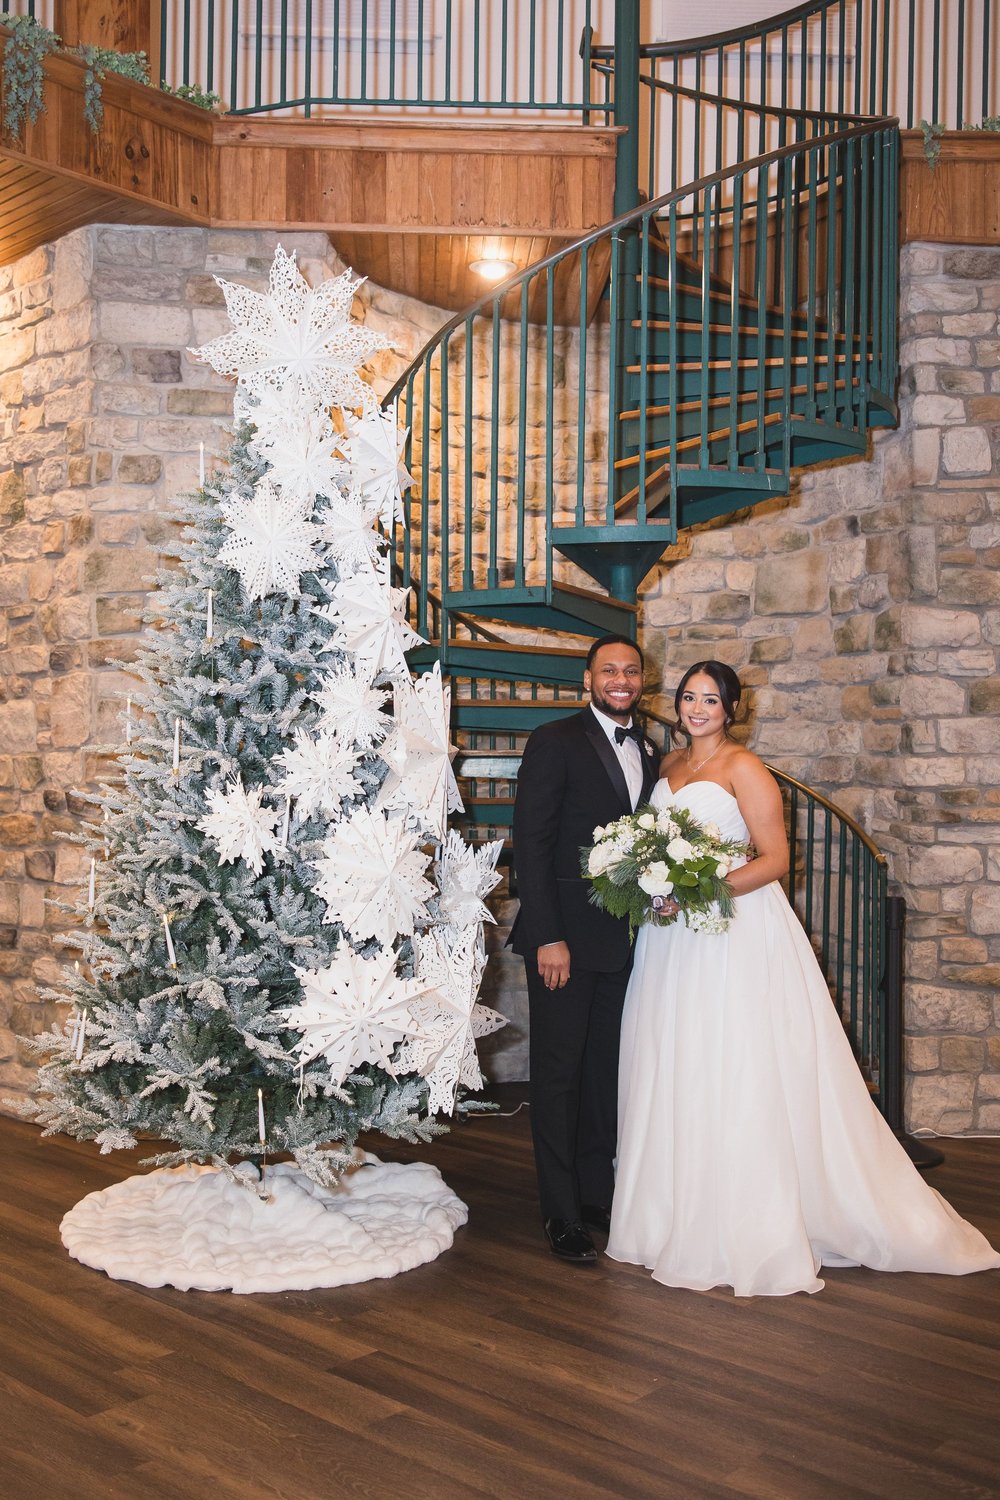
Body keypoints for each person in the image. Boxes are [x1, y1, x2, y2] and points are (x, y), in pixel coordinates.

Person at [607, 659, 1000, 1296]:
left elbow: (776, 860)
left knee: (736, 1058)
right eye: (689, 697)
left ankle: (747, 1218)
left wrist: (702, 889)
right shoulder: (669, 765)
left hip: (730, 928)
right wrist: (654, 884)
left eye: (710, 700)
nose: (697, 709)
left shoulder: (745, 767)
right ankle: (668, 1212)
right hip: (669, 936)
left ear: (732, 709)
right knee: (674, 1055)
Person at [510, 635, 661, 1263]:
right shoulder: (555, 740)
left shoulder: (650, 750)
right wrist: (549, 935)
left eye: (631, 671)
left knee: (605, 1073)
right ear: (588, 680)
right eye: (609, 671)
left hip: (622, 941)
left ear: (642, 680)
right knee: (559, 1076)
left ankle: (597, 1196)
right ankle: (562, 1212)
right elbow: (532, 843)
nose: (620, 680)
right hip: (563, 943)